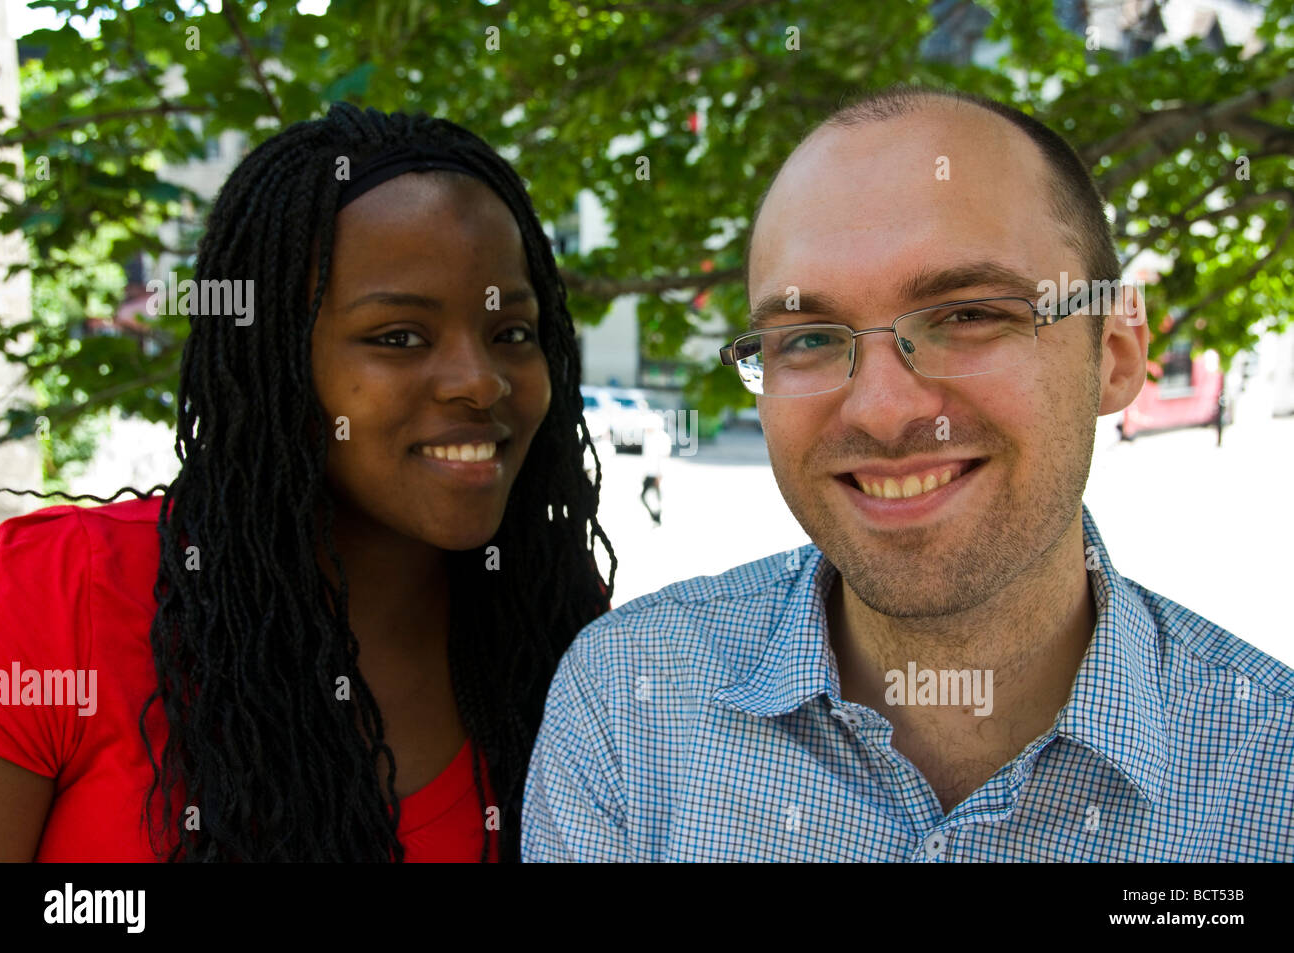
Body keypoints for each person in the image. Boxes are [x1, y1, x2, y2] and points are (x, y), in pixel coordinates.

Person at [522, 85, 1293, 862]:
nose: (883, 411)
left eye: (968, 314)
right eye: (810, 339)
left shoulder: (1273, 771)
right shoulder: (629, 704)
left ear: (1116, 355)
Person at [0, 102, 614, 862]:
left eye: (511, 334)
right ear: (275, 366)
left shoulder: (567, 645)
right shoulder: (55, 603)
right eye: (399, 336)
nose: (479, 382)